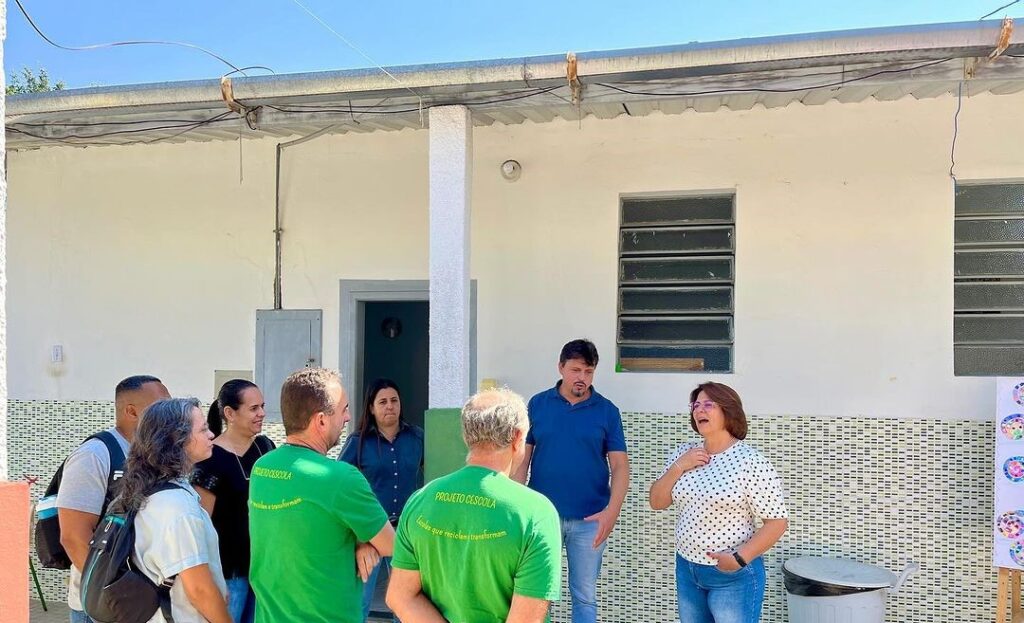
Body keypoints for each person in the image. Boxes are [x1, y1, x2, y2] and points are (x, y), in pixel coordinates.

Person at [387, 388, 561, 623]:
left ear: (466, 435)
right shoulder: (537, 513)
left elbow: (400, 596)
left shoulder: (420, 500)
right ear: (518, 437)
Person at [248, 368, 394, 623]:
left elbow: (302, 529)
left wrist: (362, 539)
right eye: (343, 409)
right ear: (321, 421)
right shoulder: (341, 478)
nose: (348, 417)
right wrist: (365, 540)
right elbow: (392, 545)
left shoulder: (262, 468)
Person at [649, 382, 788, 623]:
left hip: (732, 577)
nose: (699, 410)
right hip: (687, 569)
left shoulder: (750, 461)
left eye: (708, 404)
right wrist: (679, 466)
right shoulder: (684, 453)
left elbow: (777, 522)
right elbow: (657, 501)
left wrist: (738, 559)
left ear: (728, 411)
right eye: (696, 405)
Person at [512, 339, 629, 623]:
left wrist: (612, 513)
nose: (582, 378)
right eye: (576, 370)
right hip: (543, 517)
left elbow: (620, 466)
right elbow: (522, 459)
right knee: (538, 593)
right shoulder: (538, 404)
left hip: (590, 520)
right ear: (561, 367)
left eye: (589, 372)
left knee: (584, 596)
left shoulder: (607, 411)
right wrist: (516, 508)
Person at [58, 374, 170, 623]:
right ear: (131, 411)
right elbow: (73, 537)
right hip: (105, 609)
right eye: (160, 405)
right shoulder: (94, 455)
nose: (168, 413)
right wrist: (114, 597)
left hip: (141, 605)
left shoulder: (155, 455)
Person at [114, 397, 231, 623]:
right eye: (203, 429)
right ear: (177, 440)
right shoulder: (177, 506)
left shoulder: (150, 488)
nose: (211, 435)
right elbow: (200, 590)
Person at [339, 378, 424, 622]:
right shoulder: (358, 442)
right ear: (372, 408)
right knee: (360, 602)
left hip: (406, 532)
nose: (390, 406)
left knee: (405, 603)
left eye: (394, 400)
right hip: (370, 532)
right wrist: (356, 535)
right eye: (383, 402)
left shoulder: (416, 437)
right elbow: (341, 483)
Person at [192, 380, 276, 623]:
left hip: (263, 569)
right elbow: (201, 523)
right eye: (253, 408)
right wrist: (209, 579)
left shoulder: (266, 447)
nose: (261, 413)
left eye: (262, 406)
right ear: (230, 413)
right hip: (229, 574)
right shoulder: (211, 457)